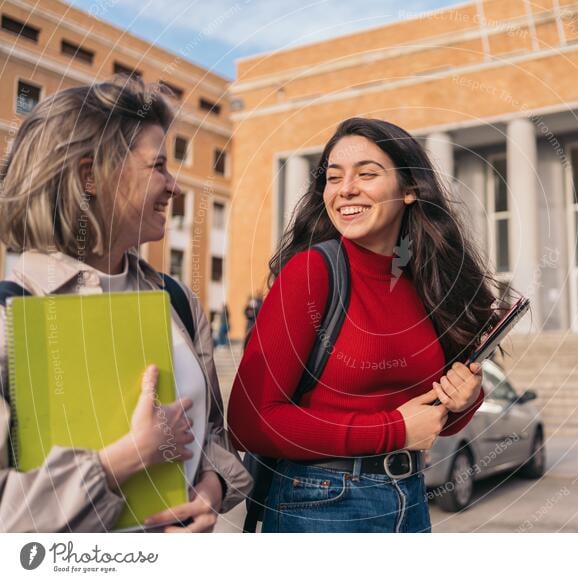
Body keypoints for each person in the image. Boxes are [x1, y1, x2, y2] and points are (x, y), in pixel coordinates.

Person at [228, 117, 503, 533]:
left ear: (410, 189)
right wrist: (392, 430)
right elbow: (250, 421)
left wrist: (464, 401)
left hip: (409, 497)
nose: (345, 189)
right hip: (322, 502)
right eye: (333, 177)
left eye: (367, 174)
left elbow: (426, 422)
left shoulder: (426, 281)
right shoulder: (311, 273)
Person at [0, 78, 251, 532]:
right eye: (157, 165)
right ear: (89, 176)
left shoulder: (177, 300)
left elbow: (214, 432)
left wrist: (211, 489)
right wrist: (128, 457)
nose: (173, 186)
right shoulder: (11, 314)